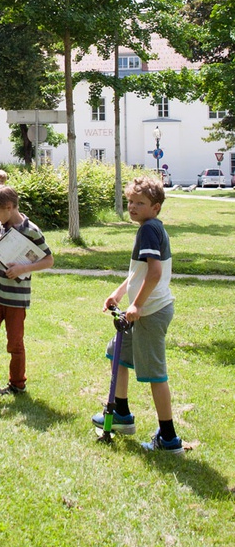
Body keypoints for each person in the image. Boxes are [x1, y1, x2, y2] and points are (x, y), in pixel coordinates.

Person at [91, 175, 183, 453]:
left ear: (155, 207)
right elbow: (140, 272)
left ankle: (169, 438)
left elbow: (154, 273)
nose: (132, 207)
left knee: (155, 373)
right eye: (130, 201)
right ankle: (121, 414)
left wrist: (137, 305)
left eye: (139, 203)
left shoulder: (149, 230)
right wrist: (120, 293)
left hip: (151, 312)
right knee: (116, 352)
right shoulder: (150, 227)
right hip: (144, 310)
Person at [0, 185, 53, 403]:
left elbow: (49, 260)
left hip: (16, 299)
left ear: (9, 207)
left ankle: (17, 384)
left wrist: (24, 268)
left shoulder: (31, 230)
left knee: (15, 343)